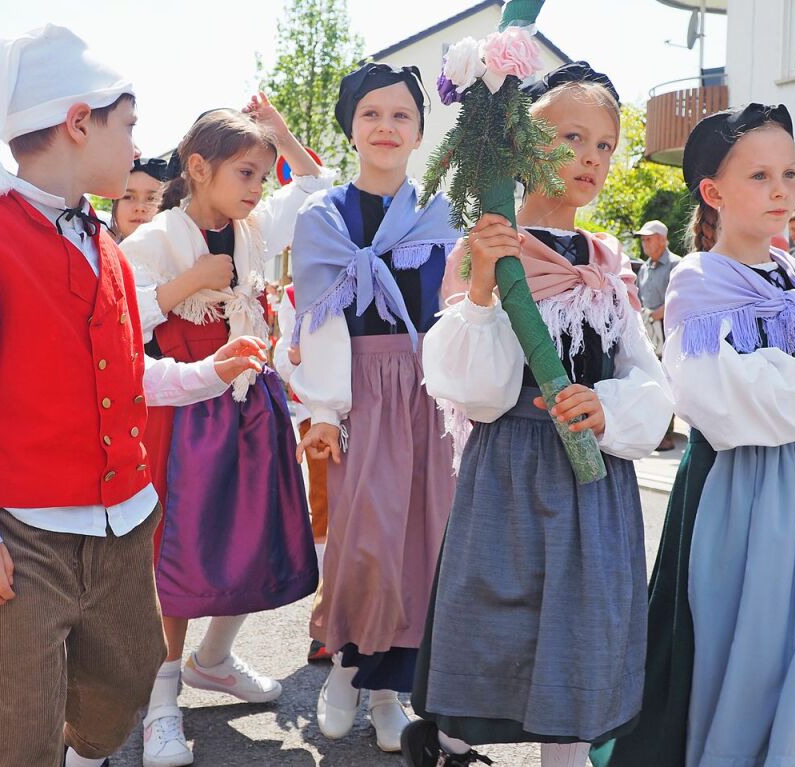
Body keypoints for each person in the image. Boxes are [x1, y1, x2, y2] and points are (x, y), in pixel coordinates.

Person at [0, 24, 269, 767]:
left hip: (126, 519)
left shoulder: (104, 243)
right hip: (24, 538)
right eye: (129, 124)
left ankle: (88, 754)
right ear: (79, 123)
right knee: (22, 725)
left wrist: (213, 371)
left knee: (127, 684)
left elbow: (125, 375)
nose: (139, 147)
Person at [592, 103, 795, 767]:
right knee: (745, 645)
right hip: (740, 489)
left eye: (790, 172)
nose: (782, 189)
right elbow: (707, 394)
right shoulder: (699, 280)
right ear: (714, 191)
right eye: (760, 174)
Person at [402, 63, 675, 767]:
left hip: (592, 483)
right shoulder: (488, 249)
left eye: (606, 145)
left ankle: (568, 757)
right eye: (572, 137)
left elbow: (648, 378)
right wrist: (488, 289)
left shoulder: (608, 265)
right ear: (523, 147)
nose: (591, 157)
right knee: (495, 621)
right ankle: (452, 745)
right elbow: (476, 389)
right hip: (512, 476)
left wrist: (606, 406)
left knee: (585, 630)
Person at [122, 96, 329, 767]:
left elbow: (317, 187)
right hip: (182, 408)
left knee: (251, 534)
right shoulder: (155, 238)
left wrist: (281, 132)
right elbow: (122, 320)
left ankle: (213, 659)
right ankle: (160, 700)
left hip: (248, 400)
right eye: (244, 171)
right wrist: (190, 280)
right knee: (178, 552)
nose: (257, 187)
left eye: (262, 175)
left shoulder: (255, 229)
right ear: (199, 168)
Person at [290, 62, 462, 753]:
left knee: (422, 543)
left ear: (421, 131)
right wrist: (326, 408)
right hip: (362, 390)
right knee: (366, 539)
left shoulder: (445, 214)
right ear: (349, 127)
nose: (386, 127)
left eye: (401, 115)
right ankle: (345, 667)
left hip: (432, 390)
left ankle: (390, 690)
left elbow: (458, 311)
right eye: (371, 114)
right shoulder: (323, 218)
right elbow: (317, 321)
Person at [271, 282, 332, 662]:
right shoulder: (294, 294)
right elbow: (282, 357)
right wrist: (294, 357)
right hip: (317, 414)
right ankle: (326, 617)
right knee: (325, 508)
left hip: (375, 404)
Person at [634, 218, 680, 450]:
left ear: (662, 240)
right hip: (649, 328)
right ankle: (654, 431)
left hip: (668, 328)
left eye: (648, 239)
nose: (644, 243)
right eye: (642, 239)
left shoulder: (675, 265)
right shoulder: (644, 267)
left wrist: (655, 315)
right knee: (650, 377)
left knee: (666, 379)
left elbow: (678, 300)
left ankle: (666, 432)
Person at [110, 156, 166, 241]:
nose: (139, 208)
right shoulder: (92, 252)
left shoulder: (187, 252)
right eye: (128, 197)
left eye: (152, 198)